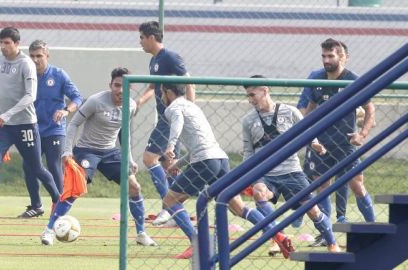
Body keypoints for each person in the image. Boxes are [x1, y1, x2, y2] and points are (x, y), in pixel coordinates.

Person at [159, 83, 295, 260]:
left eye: (161, 92)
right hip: (220, 159)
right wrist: (178, 164)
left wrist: (170, 145)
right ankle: (278, 235)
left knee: (170, 200)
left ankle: (198, 243)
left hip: (205, 161)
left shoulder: (173, 108)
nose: (161, 96)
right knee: (238, 208)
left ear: (168, 92)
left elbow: (178, 121)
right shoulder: (193, 107)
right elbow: (200, 145)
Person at [40, 67, 156, 247]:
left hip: (110, 152)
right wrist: (67, 151)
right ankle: (49, 231)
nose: (119, 90)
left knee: (134, 187)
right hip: (87, 150)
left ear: (130, 87)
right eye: (116, 85)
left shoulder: (131, 105)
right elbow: (73, 124)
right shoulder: (96, 101)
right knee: (74, 189)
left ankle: (141, 233)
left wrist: (130, 158)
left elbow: (124, 133)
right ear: (111, 85)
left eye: (124, 86)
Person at [243, 75, 341, 253]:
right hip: (264, 173)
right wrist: (246, 175)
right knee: (259, 193)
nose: (250, 100)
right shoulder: (248, 120)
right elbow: (248, 151)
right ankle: (278, 237)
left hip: (291, 171)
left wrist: (315, 143)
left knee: (312, 210)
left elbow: (307, 131)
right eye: (248, 96)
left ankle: (332, 243)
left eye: (253, 95)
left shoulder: (289, 111)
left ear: (265, 90)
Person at [298, 38, 376, 247]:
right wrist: (310, 138)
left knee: (357, 185)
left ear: (342, 57)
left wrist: (362, 134)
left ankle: (374, 227)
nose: (326, 60)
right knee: (321, 187)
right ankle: (326, 234)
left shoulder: (354, 80)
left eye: (330, 55)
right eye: (324, 56)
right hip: (321, 145)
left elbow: (370, 109)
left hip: (345, 143)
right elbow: (309, 111)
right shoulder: (317, 79)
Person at [0, 27, 60, 221]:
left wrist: (6, 115)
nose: (3, 47)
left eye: (7, 43)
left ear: (17, 44)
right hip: (4, 127)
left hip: (25, 125)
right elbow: (2, 85)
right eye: (1, 42)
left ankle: (58, 200)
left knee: (36, 167)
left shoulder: (26, 64)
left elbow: (30, 96)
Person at [136, 21, 196, 226]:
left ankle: (169, 206)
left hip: (171, 118)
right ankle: (174, 211)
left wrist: (189, 109)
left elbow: (188, 80)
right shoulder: (153, 61)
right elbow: (153, 87)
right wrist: (137, 104)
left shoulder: (170, 57)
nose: (140, 42)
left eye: (142, 37)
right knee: (169, 164)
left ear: (152, 37)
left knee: (149, 158)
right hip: (165, 117)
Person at [17, 40, 83, 218]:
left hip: (54, 130)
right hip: (32, 128)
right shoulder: (26, 75)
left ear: (47, 56)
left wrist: (65, 110)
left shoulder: (59, 75)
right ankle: (36, 206)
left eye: (39, 56)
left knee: (54, 166)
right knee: (28, 166)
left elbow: (77, 98)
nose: (35, 59)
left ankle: (59, 206)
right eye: (32, 56)